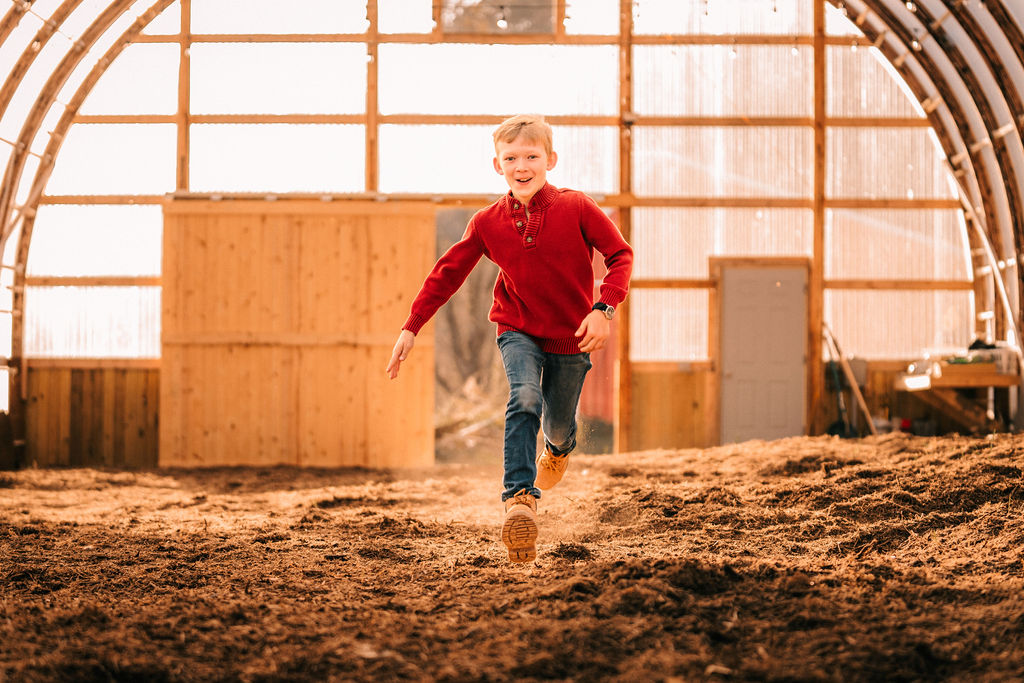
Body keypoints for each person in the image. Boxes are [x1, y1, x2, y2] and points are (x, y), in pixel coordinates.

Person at [385, 114, 633, 563]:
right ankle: (519, 499)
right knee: (523, 398)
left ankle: (557, 450)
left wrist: (604, 308)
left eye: (532, 156)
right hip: (516, 328)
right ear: (497, 165)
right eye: (511, 157)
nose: (522, 165)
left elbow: (620, 255)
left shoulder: (577, 207)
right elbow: (447, 274)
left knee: (558, 425)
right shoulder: (487, 223)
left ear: (550, 160)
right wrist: (411, 325)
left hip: (572, 336)